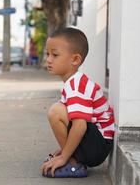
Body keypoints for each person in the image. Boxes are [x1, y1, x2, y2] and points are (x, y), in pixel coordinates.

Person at [41, 27, 115, 178]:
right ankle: (71, 157)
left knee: (56, 111)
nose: (48, 59)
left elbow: (80, 125)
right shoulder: (73, 83)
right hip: (94, 143)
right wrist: (65, 149)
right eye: (47, 54)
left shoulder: (77, 86)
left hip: (98, 147)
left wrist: (64, 156)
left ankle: (73, 163)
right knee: (59, 109)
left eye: (55, 55)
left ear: (75, 59)